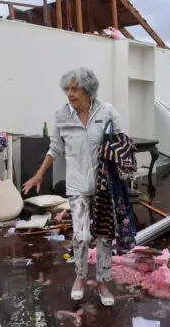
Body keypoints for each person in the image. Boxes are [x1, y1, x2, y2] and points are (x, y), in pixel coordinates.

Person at [23, 67, 121, 306]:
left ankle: (102, 283)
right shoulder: (62, 116)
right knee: (80, 235)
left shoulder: (106, 111)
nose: (69, 93)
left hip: (103, 185)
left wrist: (122, 164)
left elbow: (120, 141)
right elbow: (55, 147)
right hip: (77, 184)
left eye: (74, 88)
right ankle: (79, 278)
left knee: (105, 236)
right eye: (66, 89)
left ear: (87, 90)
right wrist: (38, 175)